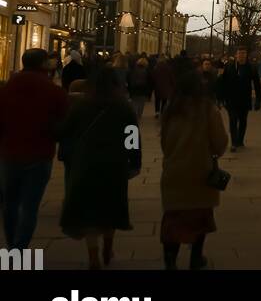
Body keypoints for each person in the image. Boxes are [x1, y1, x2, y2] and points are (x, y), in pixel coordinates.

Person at [58, 63, 141, 269]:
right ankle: (108, 247)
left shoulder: (81, 105)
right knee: (110, 208)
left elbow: (64, 132)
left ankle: (93, 254)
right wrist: (134, 162)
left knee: (90, 212)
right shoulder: (123, 106)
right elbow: (132, 137)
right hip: (115, 163)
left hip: (86, 162)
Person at [159, 70, 229, 270]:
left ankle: (170, 260)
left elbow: (165, 144)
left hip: (173, 172)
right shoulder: (207, 109)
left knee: (173, 218)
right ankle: (195, 258)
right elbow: (220, 143)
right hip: (200, 173)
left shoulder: (170, 110)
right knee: (200, 218)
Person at [0, 47, 68, 250]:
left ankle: (12, 245)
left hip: (9, 153)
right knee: (29, 206)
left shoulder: (7, 88)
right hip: (40, 154)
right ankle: (20, 248)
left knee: (9, 204)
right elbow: (64, 123)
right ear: (43, 64)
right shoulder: (53, 90)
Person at [217, 47, 261, 150]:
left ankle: (240, 140)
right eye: (240, 53)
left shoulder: (251, 68)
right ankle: (234, 142)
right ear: (236, 55)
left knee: (243, 120)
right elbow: (222, 82)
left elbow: (257, 84)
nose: (241, 55)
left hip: (244, 99)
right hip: (231, 99)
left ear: (246, 55)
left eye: (243, 53)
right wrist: (220, 97)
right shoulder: (229, 66)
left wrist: (258, 100)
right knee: (233, 120)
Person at [127, 56, 153, 122]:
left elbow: (130, 80)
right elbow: (149, 82)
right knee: (141, 103)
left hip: (134, 89)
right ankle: (139, 115)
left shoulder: (133, 70)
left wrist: (129, 89)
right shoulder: (147, 71)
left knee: (134, 103)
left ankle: (135, 114)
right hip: (143, 89)